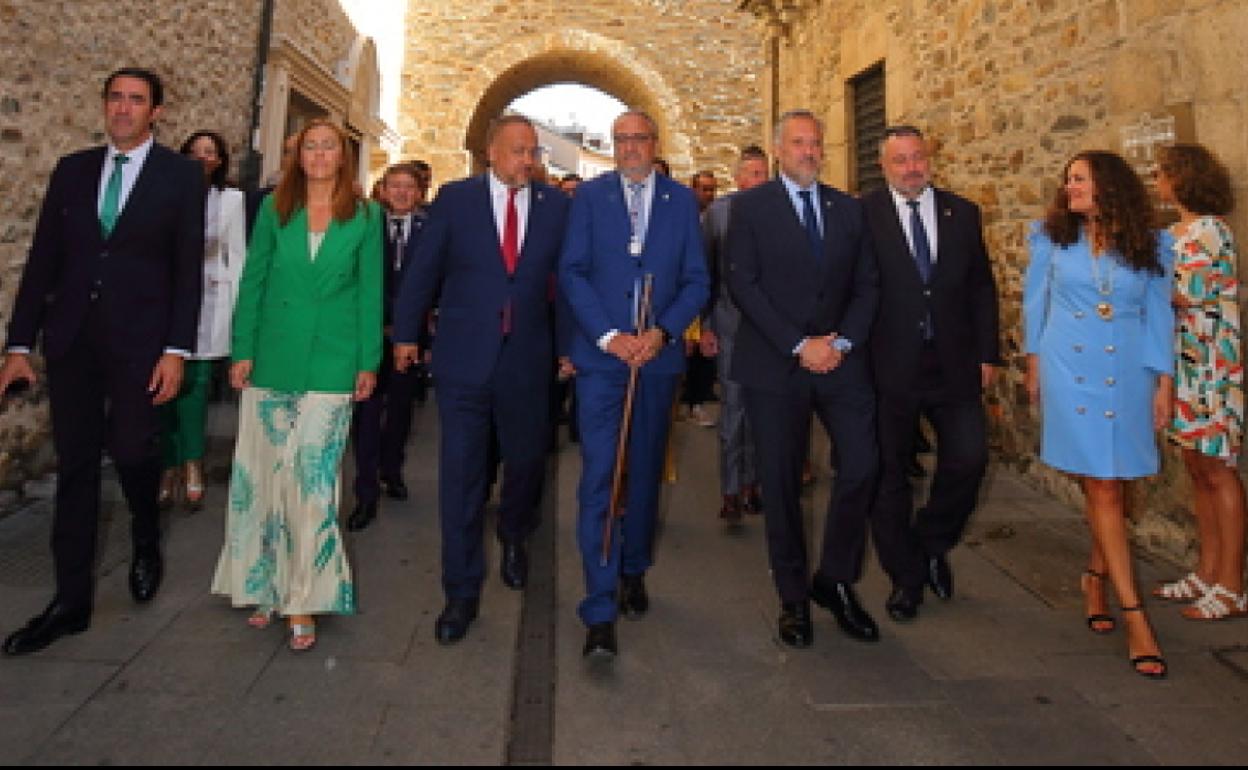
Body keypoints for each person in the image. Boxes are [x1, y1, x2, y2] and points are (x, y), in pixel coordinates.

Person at [1, 68, 204, 656]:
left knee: (137, 451)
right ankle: (70, 603)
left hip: (143, 344)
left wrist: (176, 350)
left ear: (156, 112)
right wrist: (18, 344)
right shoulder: (73, 169)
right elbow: (42, 260)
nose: (123, 108)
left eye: (136, 100)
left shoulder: (181, 176)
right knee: (77, 468)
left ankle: (145, 532)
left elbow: (187, 270)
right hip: (73, 343)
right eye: (115, 97)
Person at [393, 115, 569, 644]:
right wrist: (406, 334)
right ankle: (461, 591)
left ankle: (514, 534)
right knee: (461, 476)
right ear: (491, 151)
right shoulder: (456, 200)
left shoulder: (556, 208)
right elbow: (424, 270)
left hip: (529, 361)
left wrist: (570, 348)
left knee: (525, 462)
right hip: (465, 360)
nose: (527, 161)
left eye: (533, 152)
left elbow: (570, 281)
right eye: (517, 151)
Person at [212, 118, 382, 652]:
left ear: (343, 155)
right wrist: (242, 349)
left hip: (333, 362)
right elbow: (254, 280)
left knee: (312, 481)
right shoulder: (273, 209)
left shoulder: (366, 216)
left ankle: (304, 595)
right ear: (298, 154)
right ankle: (265, 583)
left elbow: (370, 292)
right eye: (310, 145)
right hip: (274, 357)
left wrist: (367, 361)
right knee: (263, 478)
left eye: (329, 145)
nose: (319, 153)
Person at [726, 109, 880, 648]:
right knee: (782, 481)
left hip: (841, 362)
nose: (809, 152)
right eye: (798, 144)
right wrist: (798, 344)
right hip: (776, 363)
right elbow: (744, 284)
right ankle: (793, 597)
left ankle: (834, 580)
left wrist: (840, 343)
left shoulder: (847, 210)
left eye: (815, 144)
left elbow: (868, 284)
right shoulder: (749, 208)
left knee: (863, 465)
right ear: (777, 151)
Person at [559, 110, 709, 659]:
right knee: (601, 475)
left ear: (654, 143)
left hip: (657, 360)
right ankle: (598, 606)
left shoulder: (681, 202)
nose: (628, 149)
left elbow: (697, 280)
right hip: (603, 363)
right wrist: (607, 335)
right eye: (620, 140)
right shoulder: (591, 199)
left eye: (638, 139)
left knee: (643, 472)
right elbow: (572, 272)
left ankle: (633, 565)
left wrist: (663, 332)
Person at [1023, 150, 1173, 678]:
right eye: (1067, 181)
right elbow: (1034, 302)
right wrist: (1034, 362)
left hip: (1130, 371)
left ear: (1109, 185)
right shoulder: (1050, 238)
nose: (1070, 189)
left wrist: (1164, 381)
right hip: (1071, 367)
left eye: (1080, 180)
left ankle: (1094, 575)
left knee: (1119, 480)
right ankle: (1135, 615)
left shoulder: (1153, 243)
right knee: (1104, 485)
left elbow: (1158, 312)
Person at [861, 125, 1000, 622]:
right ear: (884, 166)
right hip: (887, 365)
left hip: (954, 362)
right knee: (890, 474)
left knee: (969, 459)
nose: (911, 167)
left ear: (929, 159)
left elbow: (981, 287)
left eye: (917, 157)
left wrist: (988, 353)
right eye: (900, 160)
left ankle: (930, 542)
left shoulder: (961, 213)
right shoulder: (864, 215)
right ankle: (905, 577)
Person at [1152, 143, 1246, 619]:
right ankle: (1207, 570)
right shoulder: (1172, 232)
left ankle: (1233, 582)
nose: (1157, 181)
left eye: (1163, 173)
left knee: (1218, 470)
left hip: (1212, 361)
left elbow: (1187, 294)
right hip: (1184, 364)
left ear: (1182, 178)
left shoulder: (1211, 231)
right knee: (1195, 467)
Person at [158, 130, 247, 511]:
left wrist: (243, 309)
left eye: (210, 152)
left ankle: (193, 463)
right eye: (195, 152)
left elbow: (238, 253)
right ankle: (168, 465)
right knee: (163, 389)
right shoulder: (165, 191)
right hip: (166, 297)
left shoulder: (231, 199)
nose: (202, 159)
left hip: (211, 294)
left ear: (221, 159)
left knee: (194, 387)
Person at [347, 162, 430, 532]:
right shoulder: (364, 224)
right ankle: (365, 491)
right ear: (382, 189)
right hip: (367, 334)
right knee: (365, 414)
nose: (400, 192)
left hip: (410, 339)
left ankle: (391, 469)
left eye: (408, 187)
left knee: (400, 410)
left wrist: (415, 332)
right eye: (393, 185)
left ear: (419, 193)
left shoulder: (431, 230)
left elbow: (435, 282)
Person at [700, 145, 769, 525]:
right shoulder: (718, 215)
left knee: (762, 413)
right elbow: (706, 275)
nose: (758, 181)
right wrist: (707, 326)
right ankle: (729, 489)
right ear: (739, 178)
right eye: (752, 174)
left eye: (764, 173)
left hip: (770, 335)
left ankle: (753, 484)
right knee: (733, 412)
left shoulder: (778, 214)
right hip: (729, 327)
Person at [681, 170, 719, 428]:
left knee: (703, 355)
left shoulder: (716, 220)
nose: (707, 194)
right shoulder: (684, 219)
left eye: (711, 189)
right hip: (685, 294)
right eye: (703, 188)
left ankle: (697, 401)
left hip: (707, 295)